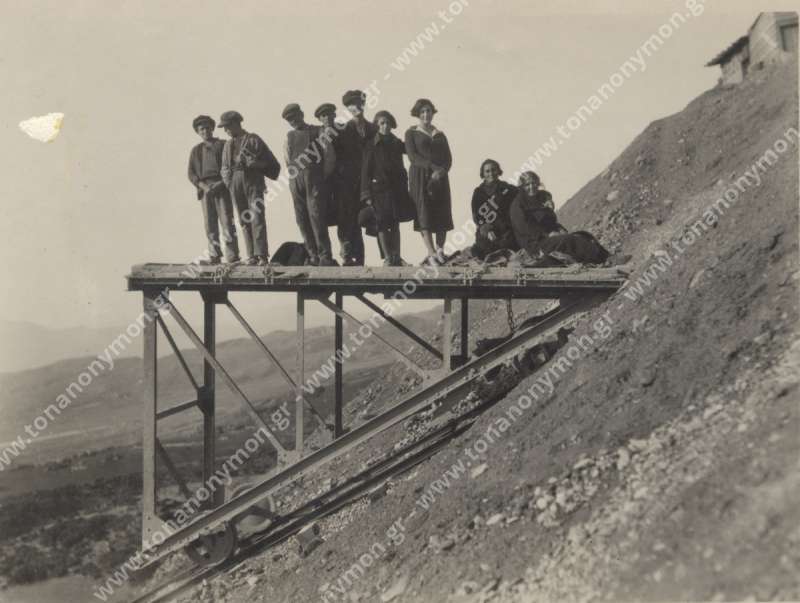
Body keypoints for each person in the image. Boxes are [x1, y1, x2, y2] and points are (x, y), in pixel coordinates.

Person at [219, 110, 280, 266]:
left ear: (236, 124)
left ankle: (262, 255)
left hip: (253, 181)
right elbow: (224, 168)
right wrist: (229, 183)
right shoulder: (228, 145)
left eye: (227, 126)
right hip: (235, 182)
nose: (225, 130)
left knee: (257, 217)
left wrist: (255, 164)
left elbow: (273, 164)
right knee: (243, 219)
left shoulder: (254, 139)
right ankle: (251, 255)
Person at [510, 171, 609, 265]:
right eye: (527, 185)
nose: (531, 187)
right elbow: (526, 229)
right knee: (569, 240)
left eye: (534, 183)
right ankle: (601, 260)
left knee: (583, 235)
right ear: (522, 187)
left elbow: (550, 221)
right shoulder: (518, 205)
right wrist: (547, 234)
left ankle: (605, 257)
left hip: (549, 237)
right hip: (536, 244)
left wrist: (556, 226)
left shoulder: (541, 197)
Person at [282, 103, 336, 266]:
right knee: (301, 218)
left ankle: (325, 255)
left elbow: (329, 157)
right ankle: (312, 255)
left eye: (295, 117)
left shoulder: (318, 131)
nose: (293, 121)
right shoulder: (289, 136)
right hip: (296, 179)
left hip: (314, 178)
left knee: (316, 216)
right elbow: (287, 159)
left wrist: (320, 177)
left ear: (301, 114)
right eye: (289, 120)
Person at [360, 110, 414, 266]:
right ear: (377, 125)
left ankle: (397, 256)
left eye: (388, 123)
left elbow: (410, 150)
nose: (385, 126)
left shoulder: (396, 143)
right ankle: (388, 258)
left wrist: (413, 132)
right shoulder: (371, 145)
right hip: (378, 191)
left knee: (395, 223)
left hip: (396, 189)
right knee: (381, 224)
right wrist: (366, 195)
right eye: (382, 123)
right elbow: (365, 171)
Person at [404, 98, 453, 266]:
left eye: (429, 111)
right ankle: (431, 252)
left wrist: (442, 171)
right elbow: (413, 157)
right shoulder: (411, 133)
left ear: (433, 113)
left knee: (442, 212)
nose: (426, 114)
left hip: (440, 178)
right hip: (420, 177)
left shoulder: (440, 134)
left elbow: (448, 158)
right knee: (424, 212)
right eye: (422, 111)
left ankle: (440, 250)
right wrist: (433, 167)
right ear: (418, 114)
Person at [187, 115, 239, 264]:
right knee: (210, 225)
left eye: (207, 128)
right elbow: (191, 173)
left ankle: (232, 256)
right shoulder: (196, 150)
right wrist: (203, 186)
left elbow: (232, 167)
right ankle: (214, 256)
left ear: (212, 128)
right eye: (201, 129)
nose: (205, 131)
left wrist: (221, 183)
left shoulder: (224, 145)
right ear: (198, 132)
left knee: (227, 222)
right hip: (205, 190)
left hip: (221, 187)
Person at [338, 89, 377, 266]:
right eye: (352, 105)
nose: (356, 108)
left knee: (367, 218)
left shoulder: (373, 128)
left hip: (368, 183)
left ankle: (364, 259)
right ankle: (348, 256)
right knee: (347, 219)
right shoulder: (342, 130)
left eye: (359, 104)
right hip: (347, 182)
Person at [470, 159, 518, 260]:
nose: (491, 173)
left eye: (493, 170)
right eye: (487, 171)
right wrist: (486, 230)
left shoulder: (507, 188)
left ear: (498, 171)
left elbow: (523, 193)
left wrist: (545, 196)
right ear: (483, 174)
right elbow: (476, 216)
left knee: (509, 244)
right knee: (483, 249)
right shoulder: (478, 192)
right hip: (486, 229)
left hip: (505, 229)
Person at [314, 102, 345, 232]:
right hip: (326, 177)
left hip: (343, 176)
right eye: (323, 116)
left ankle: (347, 242)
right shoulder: (317, 133)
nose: (327, 118)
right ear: (319, 119)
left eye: (329, 114)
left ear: (334, 115)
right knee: (327, 211)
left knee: (346, 211)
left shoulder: (343, 129)